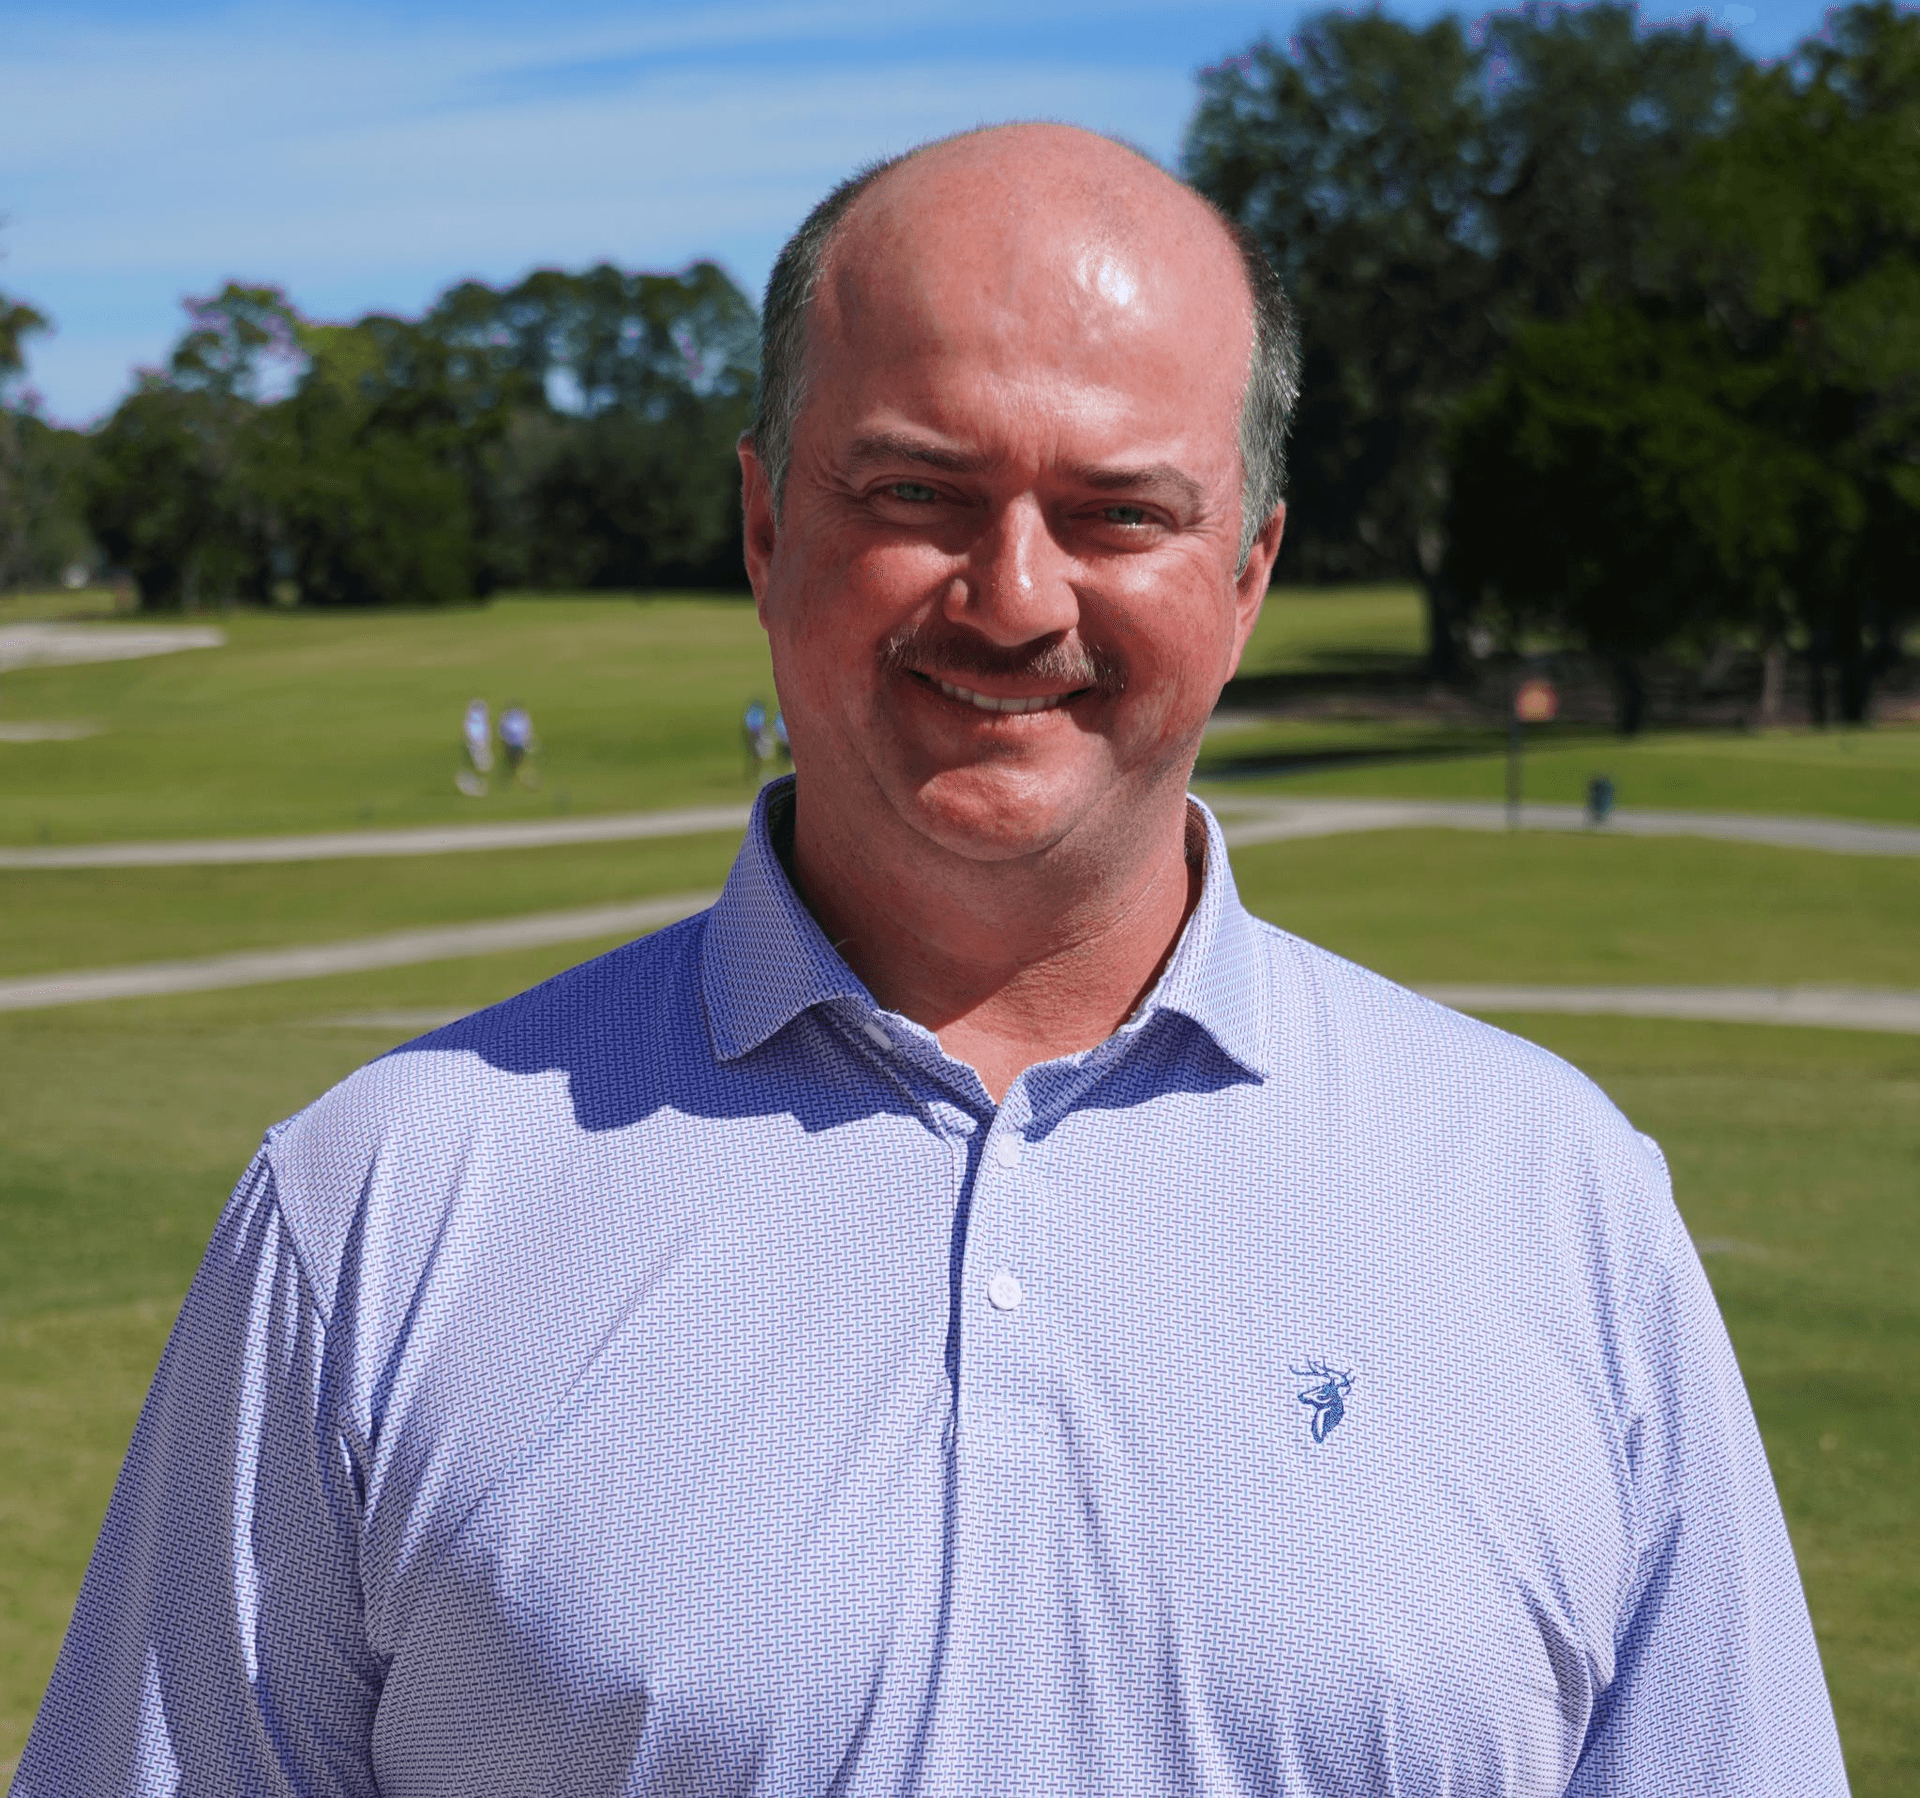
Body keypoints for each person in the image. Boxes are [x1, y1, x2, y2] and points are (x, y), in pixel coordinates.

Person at [18, 125, 1845, 1797]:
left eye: (1122, 510)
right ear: (762, 525)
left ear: (1252, 574)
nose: (1017, 593)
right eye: (914, 490)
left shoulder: (1553, 1195)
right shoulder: (379, 1206)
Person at [456, 694, 492, 797]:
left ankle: (474, 783)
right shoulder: (475, 722)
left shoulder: (472, 721)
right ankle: (473, 783)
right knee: (482, 765)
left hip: (478, 742)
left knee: (482, 765)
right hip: (477, 742)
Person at [499, 700, 537, 788]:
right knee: (517, 765)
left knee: (519, 765)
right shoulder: (519, 719)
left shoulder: (508, 719)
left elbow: (503, 732)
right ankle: (526, 781)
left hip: (515, 745)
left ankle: (526, 781)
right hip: (515, 745)